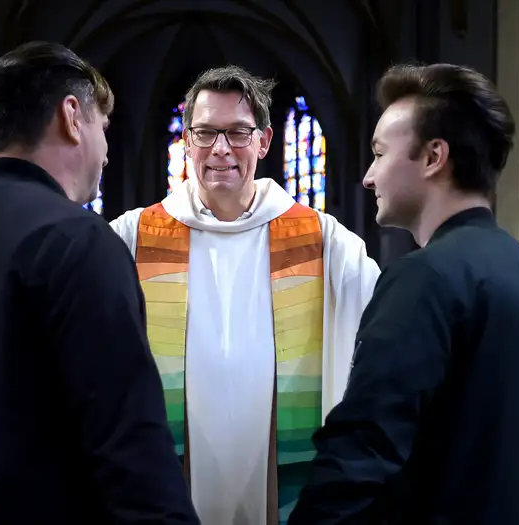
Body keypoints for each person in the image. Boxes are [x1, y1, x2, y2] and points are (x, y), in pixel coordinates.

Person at [0, 41, 198, 525]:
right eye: (104, 127)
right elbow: (127, 439)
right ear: (72, 116)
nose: (109, 152)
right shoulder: (79, 241)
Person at [288, 63, 519, 524]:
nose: (368, 177)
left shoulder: (424, 279)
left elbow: (364, 448)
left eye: (380, 154)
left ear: (432, 158)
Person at [108, 65, 381, 525]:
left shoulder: (321, 238)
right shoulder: (134, 235)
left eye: (237, 133)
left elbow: (387, 316)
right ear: (188, 141)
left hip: (279, 474)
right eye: (205, 133)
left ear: (264, 141)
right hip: (173, 474)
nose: (220, 149)